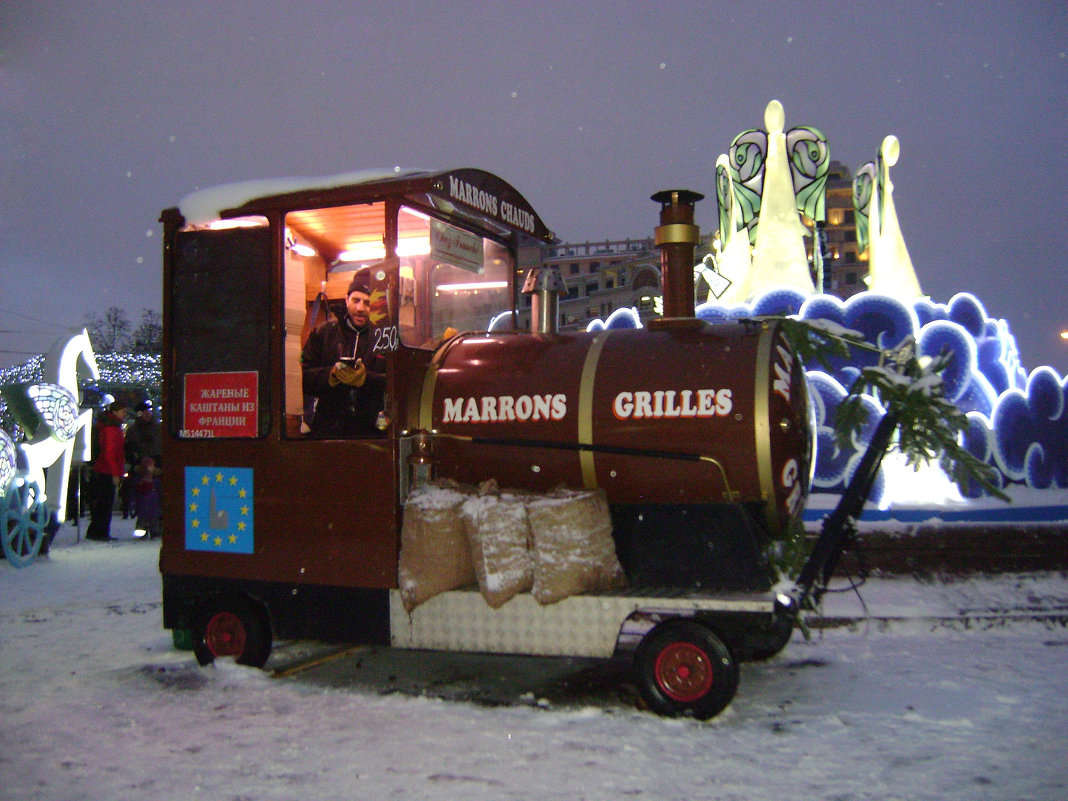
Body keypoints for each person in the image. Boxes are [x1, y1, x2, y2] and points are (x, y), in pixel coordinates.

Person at [301, 271, 386, 437]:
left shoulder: (384, 336)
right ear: (347, 300)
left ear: (375, 306)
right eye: (356, 300)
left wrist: (366, 379)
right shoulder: (323, 332)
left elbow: (397, 381)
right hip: (328, 431)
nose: (360, 308)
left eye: (367, 303)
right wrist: (330, 376)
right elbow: (302, 378)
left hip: (372, 432)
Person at [86, 401, 127, 541]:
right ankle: (101, 532)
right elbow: (110, 453)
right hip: (106, 470)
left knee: (103, 502)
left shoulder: (107, 427)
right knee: (105, 502)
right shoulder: (111, 429)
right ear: (115, 412)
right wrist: (116, 473)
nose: (124, 415)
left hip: (103, 469)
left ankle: (97, 530)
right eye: (122, 411)